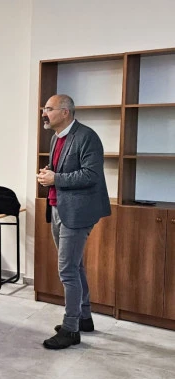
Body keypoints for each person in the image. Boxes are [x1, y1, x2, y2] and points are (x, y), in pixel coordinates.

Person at [38, 94, 111, 350]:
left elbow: (91, 174)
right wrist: (48, 174)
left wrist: (55, 178)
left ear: (65, 112)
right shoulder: (56, 137)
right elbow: (60, 170)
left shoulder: (87, 136)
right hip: (58, 207)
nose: (44, 113)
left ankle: (71, 330)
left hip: (78, 212)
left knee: (67, 270)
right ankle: (84, 317)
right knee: (75, 266)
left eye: (48, 109)